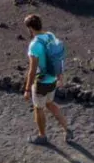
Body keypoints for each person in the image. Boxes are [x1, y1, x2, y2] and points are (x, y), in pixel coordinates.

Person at [22, 14, 72, 144]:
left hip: (41, 82)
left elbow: (32, 70)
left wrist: (27, 89)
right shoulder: (50, 36)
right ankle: (67, 129)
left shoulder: (34, 45)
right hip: (53, 79)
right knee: (50, 103)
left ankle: (42, 136)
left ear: (30, 28)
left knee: (38, 108)